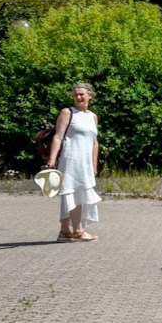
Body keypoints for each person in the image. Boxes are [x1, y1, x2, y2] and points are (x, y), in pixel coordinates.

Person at [45, 82, 102, 241]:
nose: (78, 97)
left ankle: (64, 231)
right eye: (75, 94)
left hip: (85, 162)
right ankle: (78, 230)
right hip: (71, 159)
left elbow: (94, 142)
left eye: (81, 94)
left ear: (90, 96)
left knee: (74, 192)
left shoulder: (92, 117)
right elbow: (58, 136)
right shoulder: (68, 112)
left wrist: (94, 164)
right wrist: (51, 159)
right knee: (73, 192)